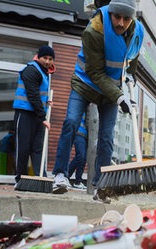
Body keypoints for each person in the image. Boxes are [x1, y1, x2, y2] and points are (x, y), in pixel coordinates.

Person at [51, 0, 144, 202]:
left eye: (126, 19)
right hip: (85, 83)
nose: (120, 23)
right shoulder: (94, 31)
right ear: (110, 13)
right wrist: (120, 97)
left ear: (132, 19)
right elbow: (94, 72)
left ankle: (101, 187)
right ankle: (60, 175)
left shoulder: (137, 32)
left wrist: (130, 76)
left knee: (106, 138)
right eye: (116, 17)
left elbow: (133, 55)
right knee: (71, 123)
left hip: (110, 90)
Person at [12, 45, 60, 191]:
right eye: (45, 58)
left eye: (50, 59)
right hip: (25, 114)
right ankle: (19, 179)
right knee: (23, 148)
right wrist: (43, 116)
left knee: (38, 148)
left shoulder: (44, 73)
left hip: (37, 116)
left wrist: (46, 102)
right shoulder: (31, 70)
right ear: (38, 57)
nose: (47, 61)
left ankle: (41, 178)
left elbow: (38, 95)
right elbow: (32, 95)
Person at [67, 113, 88, 190]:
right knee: (81, 156)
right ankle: (75, 180)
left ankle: (75, 180)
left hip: (88, 136)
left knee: (83, 158)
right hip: (79, 132)